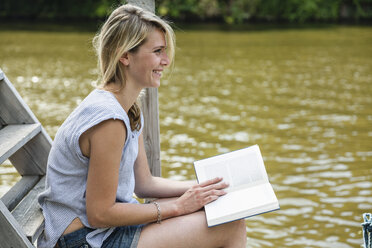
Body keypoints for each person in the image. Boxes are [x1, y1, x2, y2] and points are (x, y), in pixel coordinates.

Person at [37, 3, 247, 248]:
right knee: (231, 227)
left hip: (103, 233)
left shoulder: (128, 109)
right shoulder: (109, 120)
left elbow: (144, 184)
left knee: (221, 212)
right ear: (124, 55)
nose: (166, 61)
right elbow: (100, 214)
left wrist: (206, 189)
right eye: (157, 51)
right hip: (85, 241)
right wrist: (178, 206)